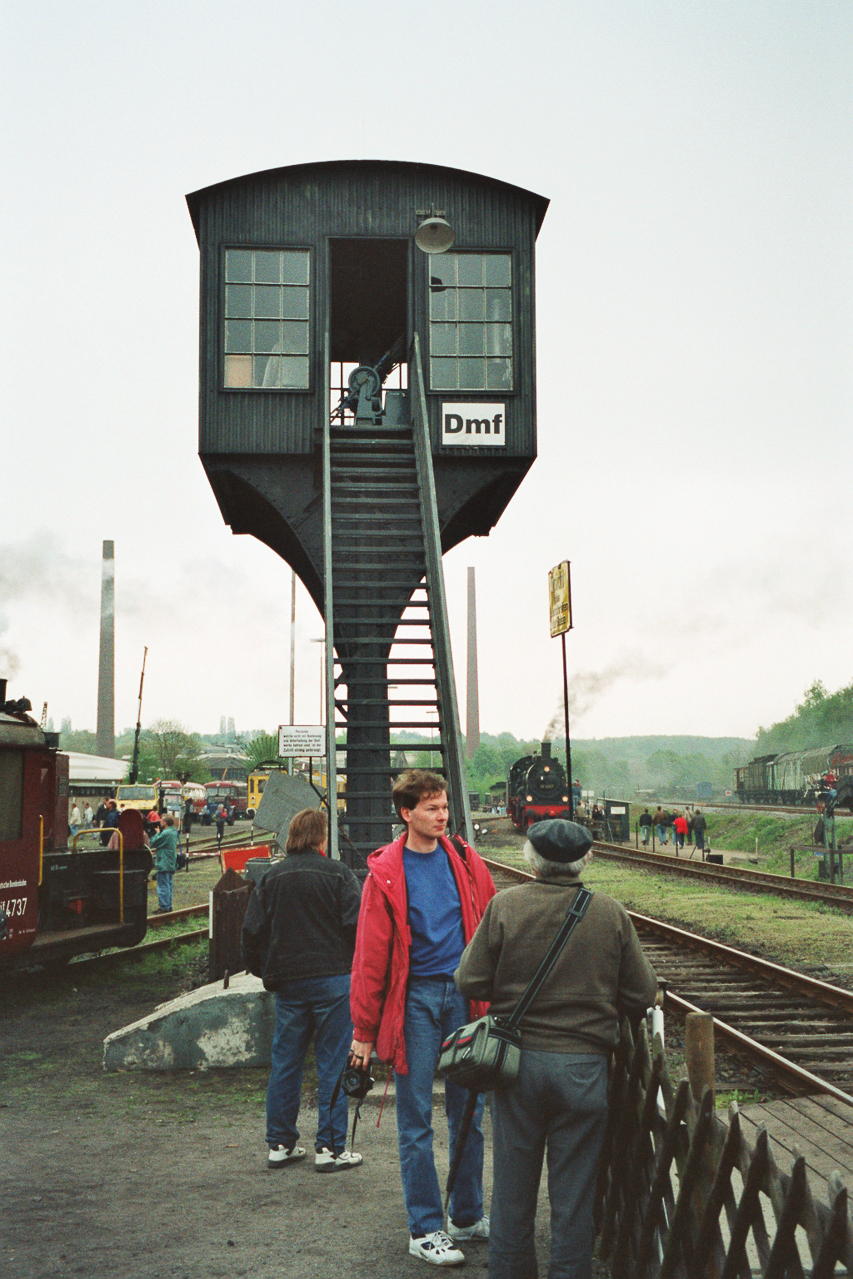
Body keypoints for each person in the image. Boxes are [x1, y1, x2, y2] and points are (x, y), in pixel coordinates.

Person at [455, 819, 658, 1279]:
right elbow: (642, 994)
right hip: (583, 1069)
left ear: (531, 856)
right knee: (574, 1194)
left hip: (517, 1066)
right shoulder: (610, 913)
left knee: (512, 1188)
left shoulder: (505, 905)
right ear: (586, 858)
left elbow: (468, 979)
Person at [349, 770, 496, 1267]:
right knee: (415, 1121)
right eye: (431, 808)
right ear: (406, 813)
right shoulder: (385, 874)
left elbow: (490, 921)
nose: (442, 816)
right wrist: (364, 1033)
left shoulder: (465, 861)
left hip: (463, 997)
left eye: (444, 806)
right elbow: (370, 957)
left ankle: (467, 1214)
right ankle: (425, 1228)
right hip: (414, 1003)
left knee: (468, 1113)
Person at [241, 808, 363, 1172]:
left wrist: (266, 971)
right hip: (334, 982)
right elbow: (357, 929)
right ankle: (329, 1149)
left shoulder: (271, 878)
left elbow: (251, 932)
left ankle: (279, 1143)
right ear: (321, 838)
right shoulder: (339, 875)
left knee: (286, 1062)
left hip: (289, 983)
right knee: (332, 1063)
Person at [150, 814, 179, 912]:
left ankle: (164, 907)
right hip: (171, 862)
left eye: (161, 821)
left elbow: (153, 843)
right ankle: (168, 905)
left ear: (165, 822)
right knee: (168, 885)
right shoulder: (174, 831)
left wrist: (157, 833)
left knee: (163, 886)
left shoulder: (166, 833)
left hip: (164, 862)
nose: (160, 822)